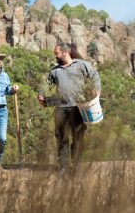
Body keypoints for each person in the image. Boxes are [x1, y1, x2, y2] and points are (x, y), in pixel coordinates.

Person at [37, 43, 101, 173]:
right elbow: (46, 84)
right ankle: (64, 167)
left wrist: (96, 89)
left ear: (65, 52)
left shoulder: (81, 65)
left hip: (79, 108)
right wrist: (41, 94)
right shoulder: (55, 71)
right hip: (61, 108)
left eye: (57, 53)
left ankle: (76, 166)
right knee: (61, 138)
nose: (55, 55)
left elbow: (95, 75)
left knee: (78, 137)